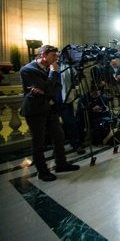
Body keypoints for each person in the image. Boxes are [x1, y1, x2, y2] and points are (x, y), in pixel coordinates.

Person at [20, 45, 80, 182]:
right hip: (35, 110)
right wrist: (53, 75)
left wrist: (47, 88)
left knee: (59, 135)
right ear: (43, 55)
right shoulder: (28, 70)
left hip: (49, 108)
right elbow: (46, 88)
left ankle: (61, 164)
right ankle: (42, 171)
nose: (56, 59)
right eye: (53, 56)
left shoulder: (50, 69)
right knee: (38, 141)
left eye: (56, 56)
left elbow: (55, 88)